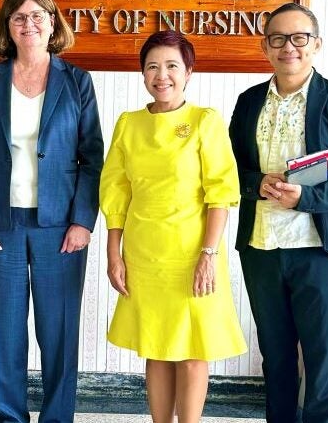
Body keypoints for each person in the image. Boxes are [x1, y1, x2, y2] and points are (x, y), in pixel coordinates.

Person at [0, 0, 104, 423]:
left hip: (59, 227)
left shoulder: (77, 81)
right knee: (5, 333)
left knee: (58, 331)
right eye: (19, 17)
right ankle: (9, 417)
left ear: (53, 23)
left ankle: (58, 417)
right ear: (8, 26)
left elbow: (92, 157)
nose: (29, 24)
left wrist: (83, 221)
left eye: (38, 16)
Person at [229, 2, 328, 423]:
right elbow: (230, 170)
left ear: (316, 45)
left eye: (299, 38)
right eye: (278, 39)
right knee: (275, 356)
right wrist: (257, 183)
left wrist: (307, 199)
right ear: (265, 46)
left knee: (322, 357)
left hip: (318, 246)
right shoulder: (249, 101)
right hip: (261, 244)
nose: (288, 47)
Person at [100, 30, 246, 423]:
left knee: (193, 351)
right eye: (152, 66)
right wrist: (114, 253)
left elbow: (222, 193)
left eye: (171, 66)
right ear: (142, 73)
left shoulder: (204, 121)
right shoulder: (129, 124)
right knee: (157, 347)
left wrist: (208, 255)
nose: (161, 75)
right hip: (145, 254)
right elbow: (116, 192)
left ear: (189, 72)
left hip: (194, 252)